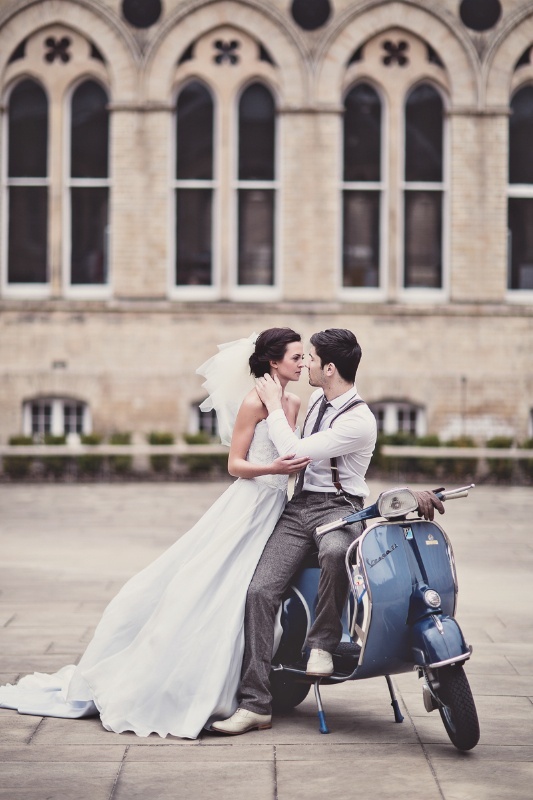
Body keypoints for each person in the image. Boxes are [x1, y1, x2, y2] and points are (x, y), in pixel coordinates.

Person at [0, 328, 311, 739]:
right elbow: (235, 464)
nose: (303, 362)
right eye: (296, 356)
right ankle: (188, 682)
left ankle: (252, 684)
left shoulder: (294, 401)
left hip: (278, 509)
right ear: (274, 362)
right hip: (249, 506)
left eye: (305, 356)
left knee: (250, 593)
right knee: (210, 586)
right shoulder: (254, 401)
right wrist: (273, 470)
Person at [212, 328, 444, 735]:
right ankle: (256, 704)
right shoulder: (318, 399)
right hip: (298, 506)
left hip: (341, 509)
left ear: (330, 368)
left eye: (312, 360)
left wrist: (274, 407)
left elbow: (293, 452)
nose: (306, 365)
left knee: (336, 552)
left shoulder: (359, 420)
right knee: (259, 591)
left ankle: (322, 645)